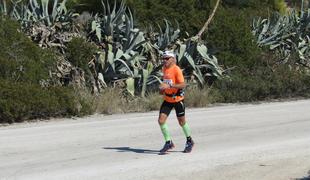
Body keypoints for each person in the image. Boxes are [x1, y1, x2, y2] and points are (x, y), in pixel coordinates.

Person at [158, 50, 194, 154]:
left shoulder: (176, 69)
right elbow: (166, 82)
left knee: (181, 122)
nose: (164, 60)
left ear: (173, 59)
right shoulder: (164, 69)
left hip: (178, 99)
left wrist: (169, 86)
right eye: (163, 58)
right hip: (168, 99)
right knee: (161, 121)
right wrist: (162, 89)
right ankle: (168, 142)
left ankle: (189, 141)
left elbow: (183, 85)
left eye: (167, 58)